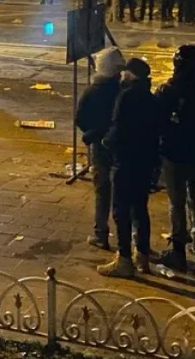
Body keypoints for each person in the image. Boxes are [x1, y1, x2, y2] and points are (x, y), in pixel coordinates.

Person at [155, 45, 195, 271]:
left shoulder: (169, 90)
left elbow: (157, 120)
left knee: (177, 202)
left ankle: (178, 249)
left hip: (173, 153)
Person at [96, 57, 161, 277]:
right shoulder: (151, 98)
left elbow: (118, 128)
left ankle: (124, 259)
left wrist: (105, 142)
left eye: (125, 72)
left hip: (125, 161)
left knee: (121, 211)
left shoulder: (126, 96)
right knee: (140, 210)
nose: (121, 75)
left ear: (131, 75)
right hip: (144, 163)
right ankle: (141, 256)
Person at [75, 47, 126, 251]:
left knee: (102, 190)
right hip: (120, 146)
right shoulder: (122, 90)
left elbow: (80, 118)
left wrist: (92, 132)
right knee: (123, 192)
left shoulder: (92, 91)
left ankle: (101, 233)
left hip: (99, 145)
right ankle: (129, 236)